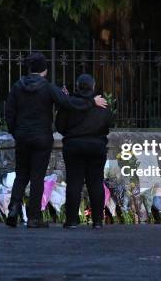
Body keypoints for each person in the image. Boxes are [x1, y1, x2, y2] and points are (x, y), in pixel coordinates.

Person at [4, 53, 108, 228]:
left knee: (21, 173)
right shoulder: (48, 87)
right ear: (44, 70)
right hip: (42, 137)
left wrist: (15, 131)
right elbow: (69, 104)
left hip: (22, 136)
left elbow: (9, 112)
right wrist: (91, 102)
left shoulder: (17, 87)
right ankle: (34, 218)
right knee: (37, 176)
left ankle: (14, 206)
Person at [55, 74, 113, 229]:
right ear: (93, 86)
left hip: (74, 146)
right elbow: (109, 123)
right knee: (96, 183)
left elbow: (60, 126)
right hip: (97, 146)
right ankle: (98, 221)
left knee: (74, 182)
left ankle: (72, 220)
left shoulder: (70, 104)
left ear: (77, 86)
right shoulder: (101, 103)